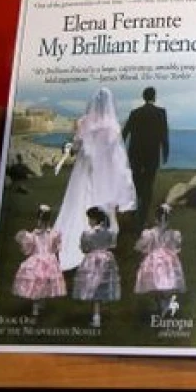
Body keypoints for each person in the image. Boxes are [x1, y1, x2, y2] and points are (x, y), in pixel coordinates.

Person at [53, 86, 138, 271]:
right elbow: (117, 155)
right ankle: (104, 240)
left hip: (85, 168)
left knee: (78, 200)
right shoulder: (112, 125)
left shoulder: (84, 122)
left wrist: (70, 149)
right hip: (104, 170)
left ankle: (79, 239)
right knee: (103, 201)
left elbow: (76, 147)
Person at [122, 86, 170, 229]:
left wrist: (119, 152)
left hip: (135, 154)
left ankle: (134, 214)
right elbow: (164, 134)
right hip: (152, 154)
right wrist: (165, 153)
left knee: (136, 184)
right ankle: (142, 218)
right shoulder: (161, 113)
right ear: (154, 97)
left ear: (143, 97)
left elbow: (125, 133)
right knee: (148, 185)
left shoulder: (135, 113)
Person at [12, 203, 66, 318]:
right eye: (40, 220)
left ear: (43, 220)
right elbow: (52, 248)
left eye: (41, 220)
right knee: (39, 282)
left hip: (43, 260)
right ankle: (37, 306)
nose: (39, 222)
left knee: (42, 282)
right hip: (43, 261)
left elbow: (53, 248)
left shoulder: (49, 234)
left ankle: (39, 303)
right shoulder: (37, 234)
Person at [72, 205, 121, 328]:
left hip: (92, 261)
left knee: (93, 286)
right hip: (106, 260)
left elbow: (85, 249)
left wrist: (90, 249)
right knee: (100, 286)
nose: (89, 221)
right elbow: (113, 244)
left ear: (94, 219)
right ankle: (97, 315)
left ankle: (96, 316)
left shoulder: (87, 234)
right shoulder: (108, 232)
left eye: (90, 219)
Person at [134, 202, 186, 316]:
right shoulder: (151, 233)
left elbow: (175, 246)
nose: (163, 224)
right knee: (156, 285)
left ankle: (164, 305)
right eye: (161, 220)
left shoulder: (172, 233)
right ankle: (161, 305)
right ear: (156, 220)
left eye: (165, 221)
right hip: (155, 262)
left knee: (166, 285)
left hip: (167, 262)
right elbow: (142, 245)